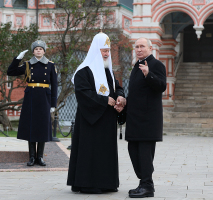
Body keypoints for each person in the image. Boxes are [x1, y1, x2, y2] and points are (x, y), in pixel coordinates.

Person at [67, 32, 126, 194]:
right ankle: (88, 183)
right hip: (90, 120)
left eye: (108, 50)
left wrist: (120, 96)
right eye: (103, 50)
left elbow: (116, 87)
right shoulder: (83, 71)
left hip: (107, 120)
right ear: (95, 50)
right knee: (91, 152)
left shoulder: (109, 71)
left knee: (105, 152)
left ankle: (107, 183)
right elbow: (83, 93)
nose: (107, 53)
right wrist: (104, 100)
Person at [125, 37, 166, 198]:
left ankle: (147, 186)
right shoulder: (136, 67)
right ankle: (143, 182)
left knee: (144, 153)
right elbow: (136, 93)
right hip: (134, 118)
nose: (139, 49)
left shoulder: (156, 65)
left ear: (150, 48)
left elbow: (162, 86)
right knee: (133, 150)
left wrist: (149, 74)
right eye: (136, 47)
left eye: (142, 46)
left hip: (148, 119)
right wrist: (124, 101)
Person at [7, 40, 58, 166]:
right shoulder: (28, 64)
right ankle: (31, 157)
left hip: (44, 98)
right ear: (33, 51)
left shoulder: (51, 65)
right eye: (36, 49)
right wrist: (17, 59)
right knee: (31, 127)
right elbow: (11, 72)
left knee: (42, 127)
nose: (38, 50)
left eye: (41, 49)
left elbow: (55, 86)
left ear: (44, 51)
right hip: (31, 98)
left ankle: (39, 157)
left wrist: (53, 104)